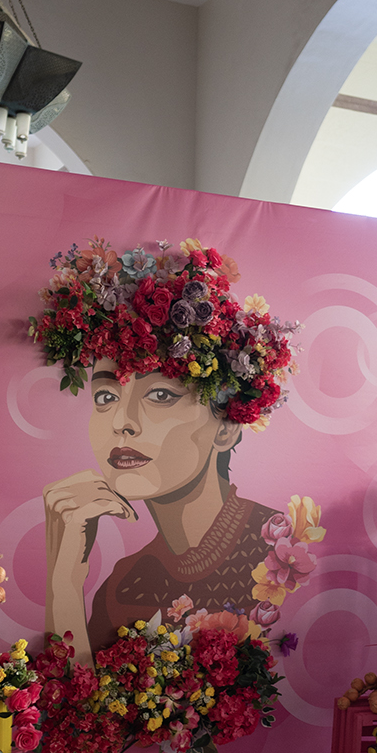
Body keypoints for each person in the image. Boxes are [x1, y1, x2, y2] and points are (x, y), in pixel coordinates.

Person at [34, 238, 320, 666]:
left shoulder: (281, 546)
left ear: (225, 428)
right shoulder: (126, 584)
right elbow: (88, 721)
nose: (121, 422)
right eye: (106, 398)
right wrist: (64, 582)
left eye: (162, 395)